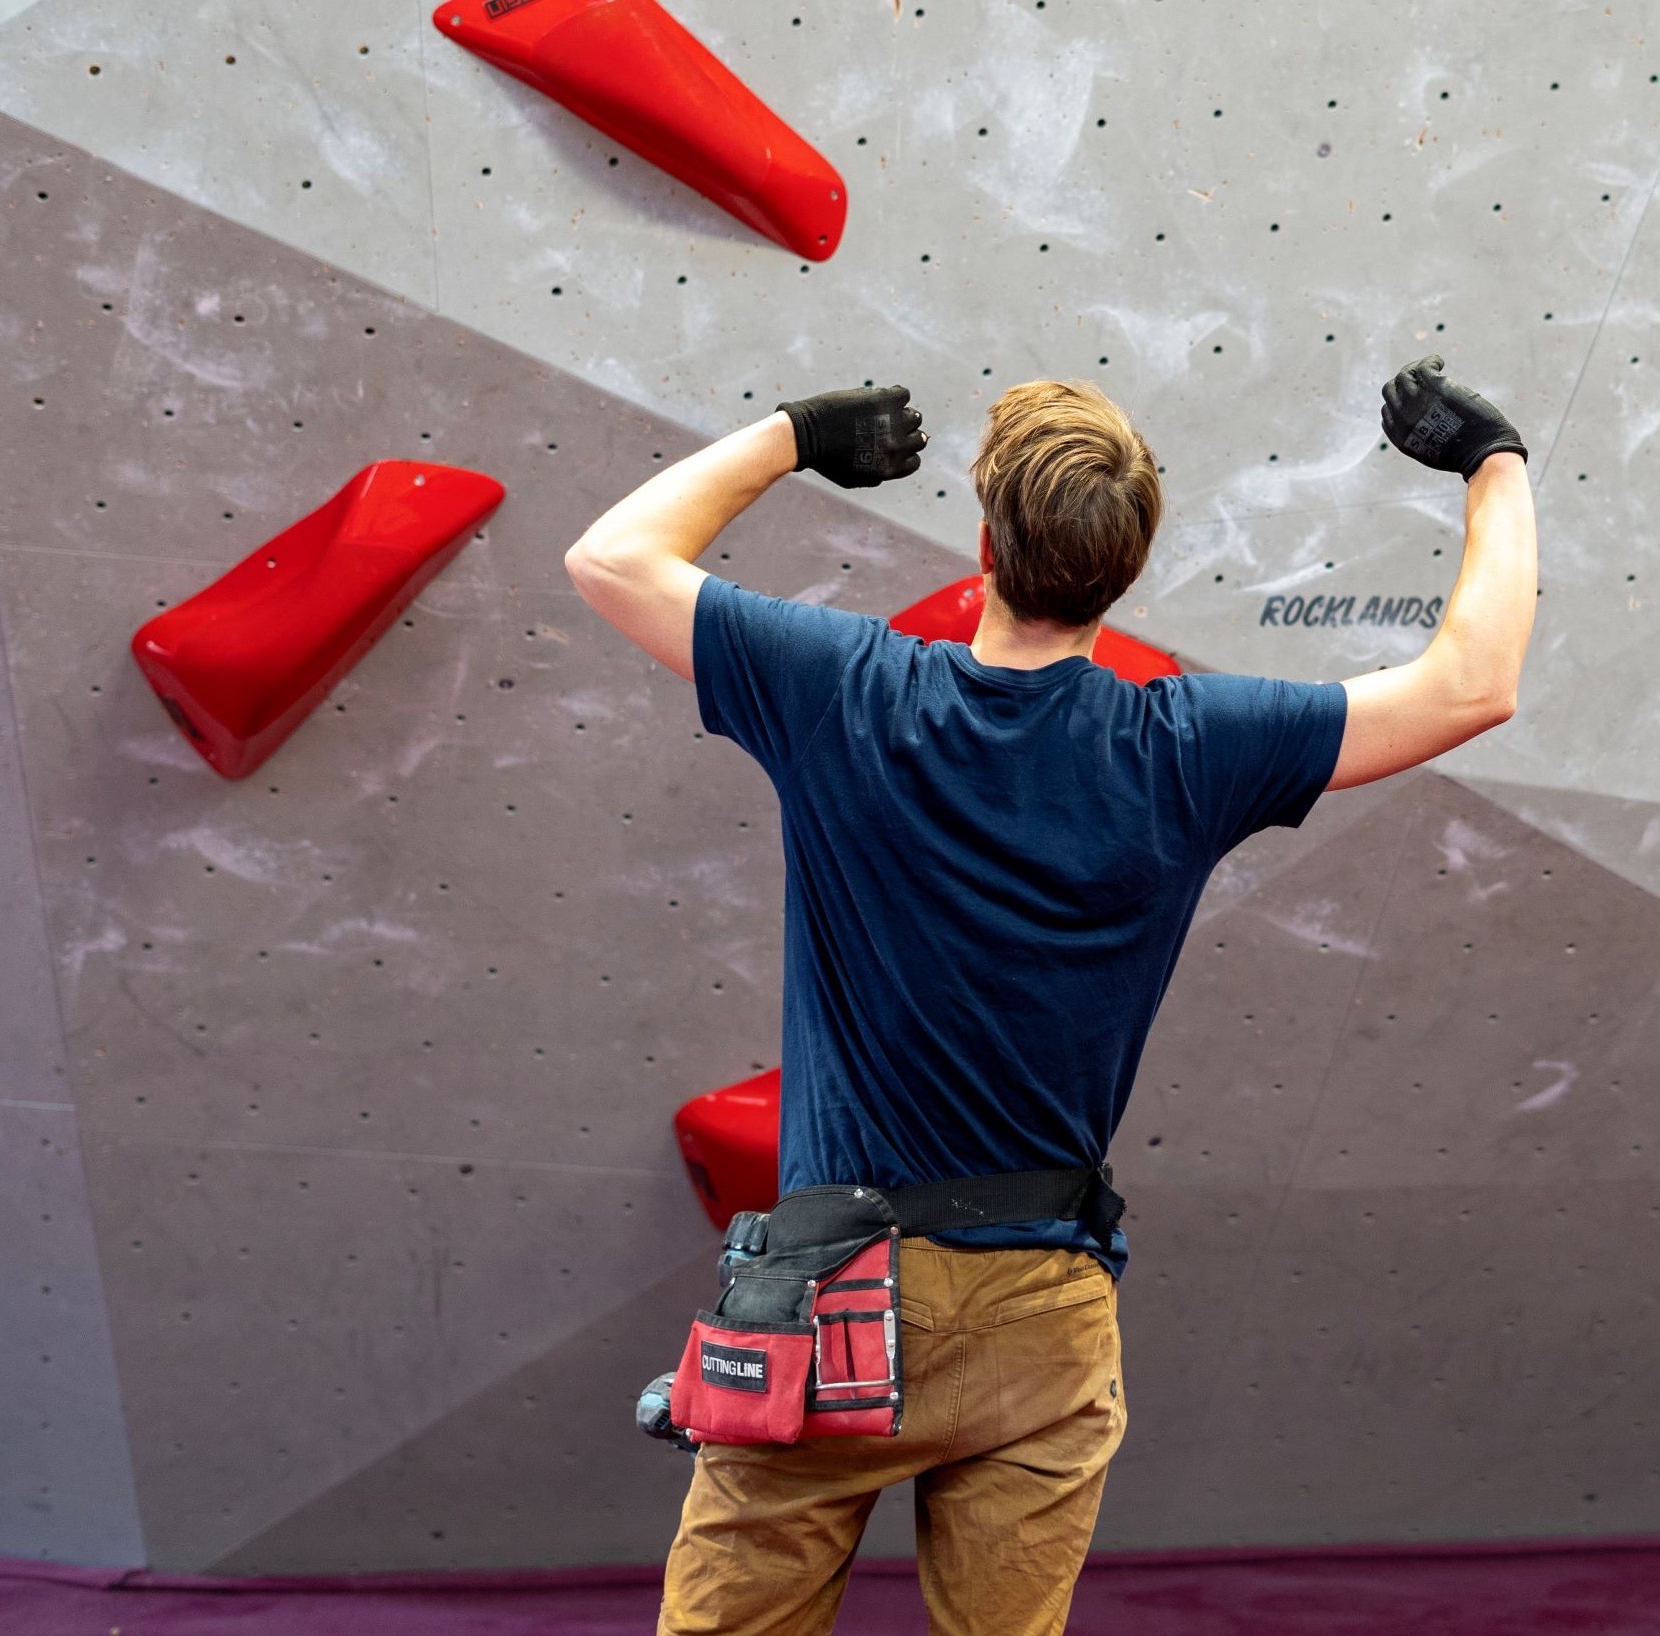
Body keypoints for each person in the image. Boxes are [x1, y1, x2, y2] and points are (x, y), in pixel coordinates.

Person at [564, 358, 1536, 1636]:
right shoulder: (1186, 749)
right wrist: (1494, 463)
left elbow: (610, 559)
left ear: (985, 547)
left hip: (835, 1297)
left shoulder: (846, 689)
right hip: (1044, 1311)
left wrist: (794, 435)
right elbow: (1474, 684)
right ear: (1125, 572)